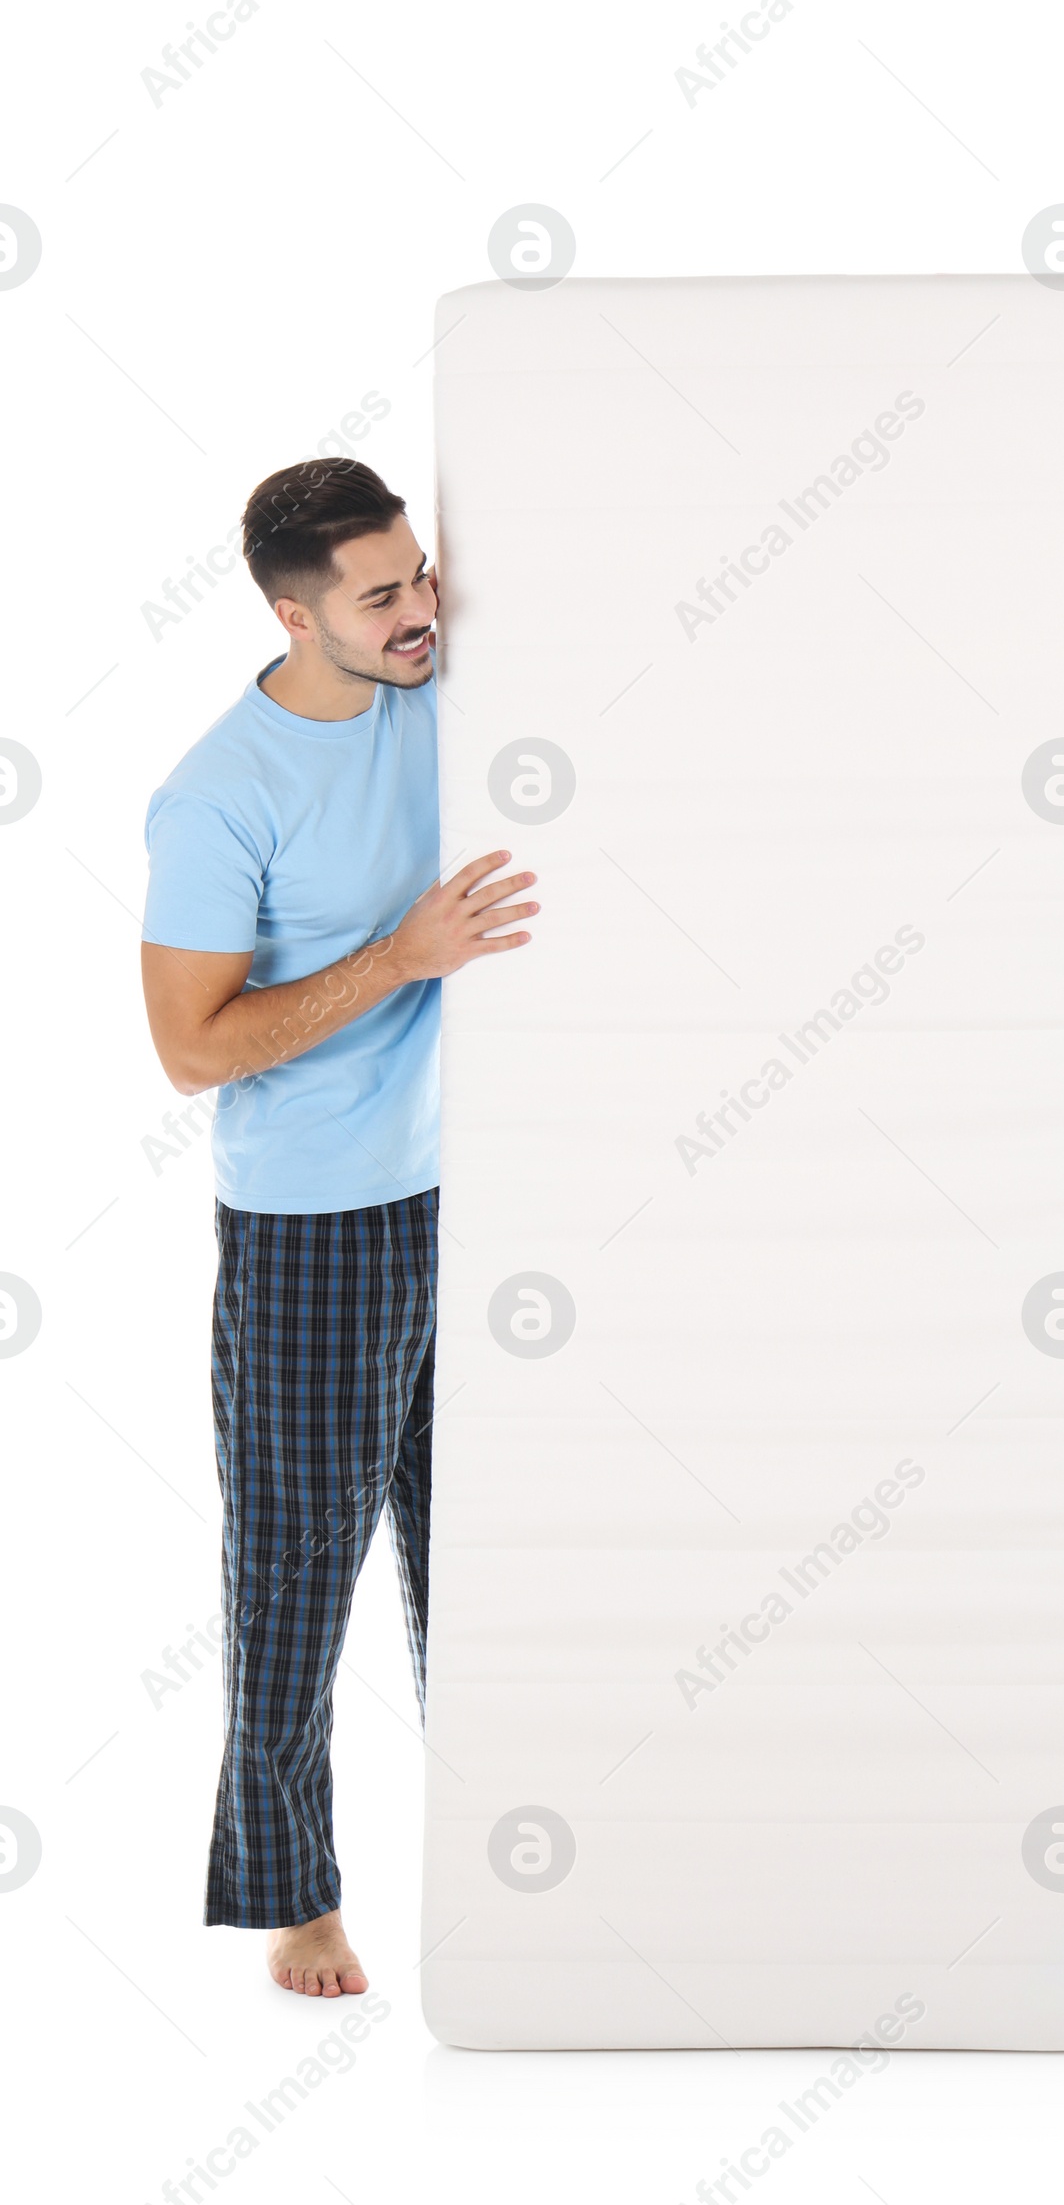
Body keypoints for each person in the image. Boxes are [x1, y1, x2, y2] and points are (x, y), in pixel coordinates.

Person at [140, 459, 540, 1999]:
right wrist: (401, 956)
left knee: (482, 1550)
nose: (421, 611)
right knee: (302, 1571)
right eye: (381, 596)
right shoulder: (221, 790)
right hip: (314, 1222)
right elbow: (191, 1048)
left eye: (421, 574)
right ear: (292, 613)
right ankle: (297, 1897)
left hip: (483, 1191)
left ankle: (505, 1847)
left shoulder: (444, 698)